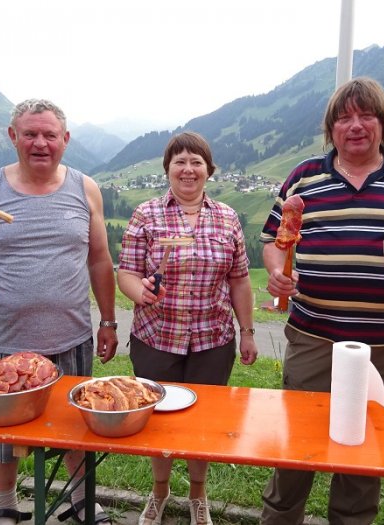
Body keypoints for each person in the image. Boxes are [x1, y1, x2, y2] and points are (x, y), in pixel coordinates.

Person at [259, 77, 384, 525]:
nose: (355, 125)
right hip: (313, 337)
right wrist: (277, 271)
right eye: (344, 117)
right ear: (330, 128)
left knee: (366, 450)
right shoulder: (304, 177)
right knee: (296, 445)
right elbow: (273, 239)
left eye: (366, 115)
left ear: (382, 124)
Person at [0, 99, 118, 525]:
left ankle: (81, 501)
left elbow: (100, 260)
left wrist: (108, 321)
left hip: (71, 337)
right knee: (1, 436)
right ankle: (5, 504)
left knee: (78, 425)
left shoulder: (85, 189)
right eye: (30, 134)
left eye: (49, 135)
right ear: (13, 137)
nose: (40, 143)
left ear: (65, 139)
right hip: (4, 342)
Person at [117, 131, 258, 525]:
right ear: (167, 169)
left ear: (208, 170)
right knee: (158, 419)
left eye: (196, 161)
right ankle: (159, 491)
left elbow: (239, 280)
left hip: (213, 340)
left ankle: (198, 493)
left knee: (204, 422)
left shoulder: (227, 217)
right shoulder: (147, 214)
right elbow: (126, 273)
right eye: (179, 161)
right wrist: (141, 292)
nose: (188, 169)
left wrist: (247, 331)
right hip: (156, 338)